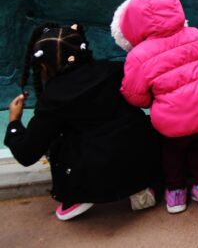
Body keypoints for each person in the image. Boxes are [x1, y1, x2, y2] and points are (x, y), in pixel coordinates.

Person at [5, 23, 160, 222]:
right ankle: (140, 185)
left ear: (42, 66)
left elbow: (27, 153)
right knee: (129, 125)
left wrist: (14, 121)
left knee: (57, 139)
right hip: (140, 160)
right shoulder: (113, 69)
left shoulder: (53, 97)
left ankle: (79, 195)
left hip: (93, 173)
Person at [111, 0, 198, 214]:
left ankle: (176, 194)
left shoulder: (137, 56)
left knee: (172, 150)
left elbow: (134, 94)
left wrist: (152, 102)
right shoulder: (195, 35)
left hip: (173, 124)